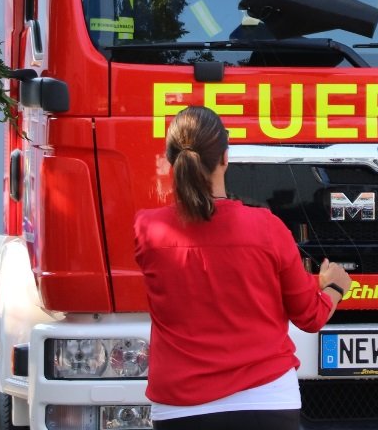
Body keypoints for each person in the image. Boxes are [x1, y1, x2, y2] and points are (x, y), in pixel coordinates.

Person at [134, 105, 352, 429]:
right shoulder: (266, 227)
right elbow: (309, 315)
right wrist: (334, 286)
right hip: (268, 400)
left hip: (179, 407)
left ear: (172, 159)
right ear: (225, 157)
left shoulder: (147, 229)